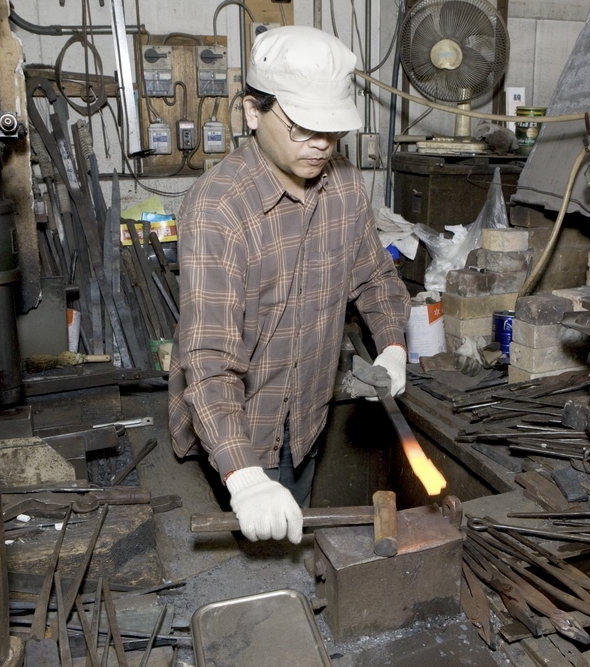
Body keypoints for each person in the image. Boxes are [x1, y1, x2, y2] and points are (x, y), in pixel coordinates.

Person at [168, 26, 410, 544]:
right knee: (256, 556)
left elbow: (375, 277)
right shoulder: (218, 208)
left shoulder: (345, 185)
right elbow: (208, 358)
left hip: (307, 414)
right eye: (302, 126)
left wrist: (392, 345)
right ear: (252, 112)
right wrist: (244, 477)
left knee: (296, 537)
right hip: (239, 426)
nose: (321, 144)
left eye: (331, 128)